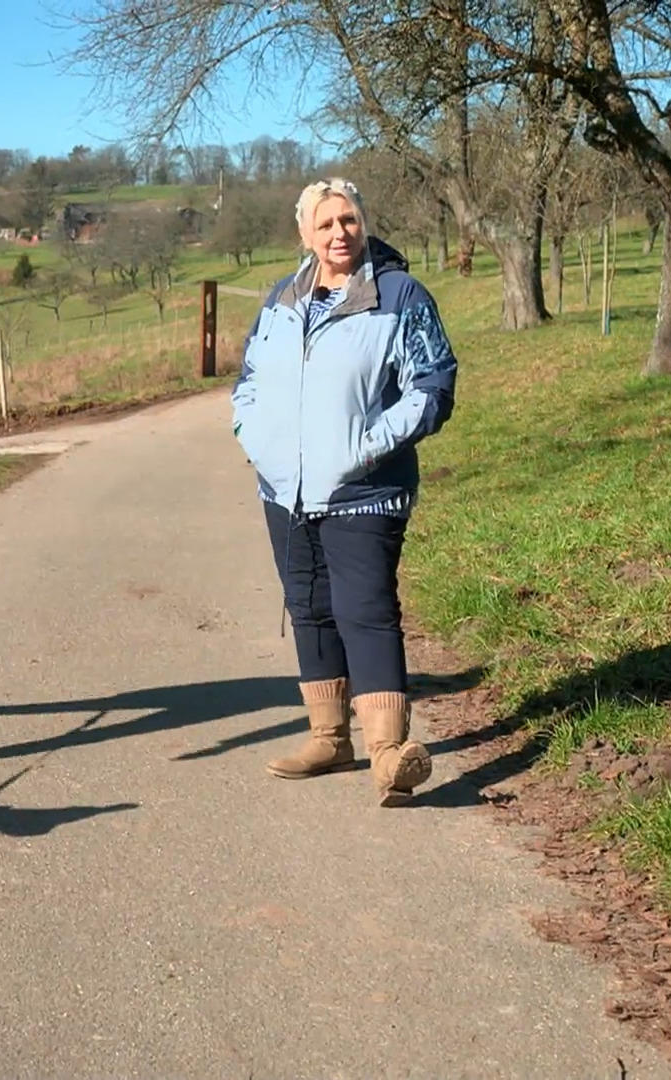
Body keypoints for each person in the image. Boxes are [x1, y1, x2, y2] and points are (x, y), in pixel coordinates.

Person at [231, 178, 459, 805]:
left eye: (349, 220)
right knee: (308, 606)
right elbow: (248, 379)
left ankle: (389, 754)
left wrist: (364, 445)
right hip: (285, 490)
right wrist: (255, 436)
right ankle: (329, 738)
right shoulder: (281, 299)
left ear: (364, 225)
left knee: (365, 610)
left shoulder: (398, 295)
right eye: (326, 223)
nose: (339, 233)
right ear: (304, 233)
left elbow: (433, 386)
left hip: (365, 488)